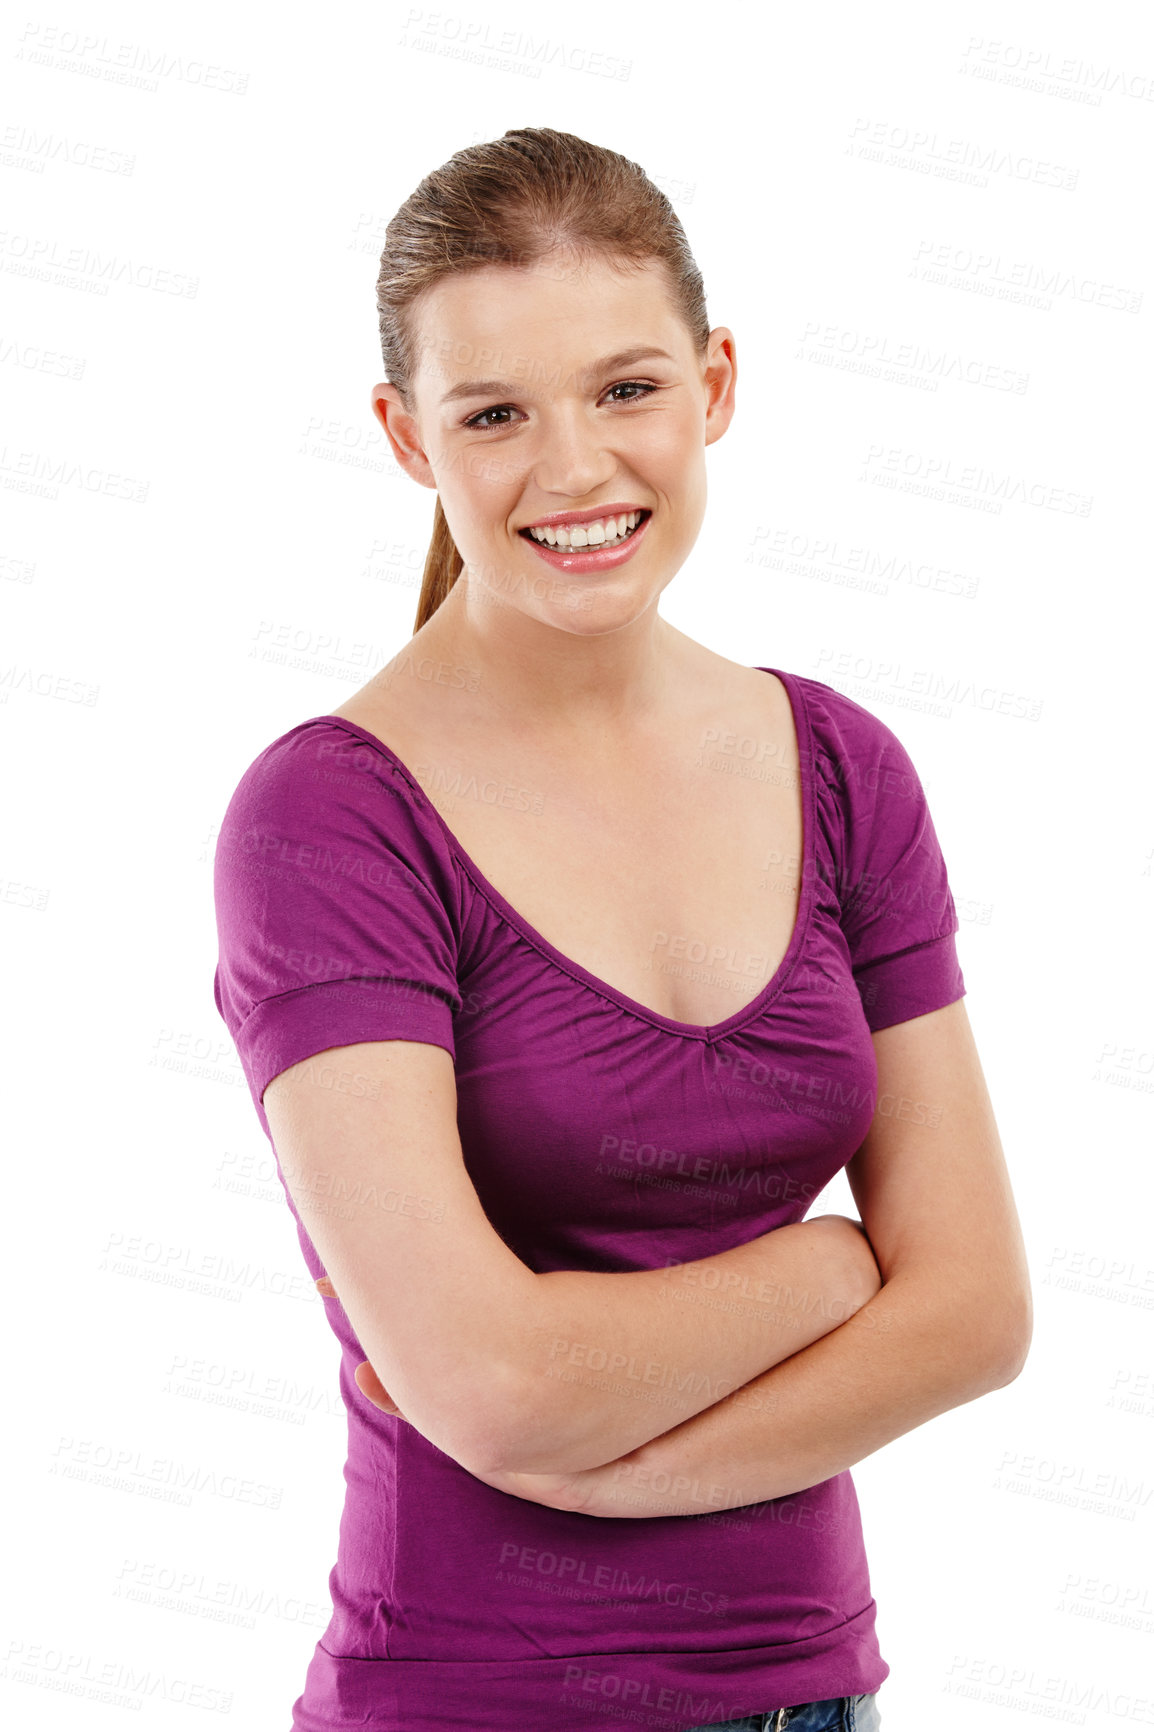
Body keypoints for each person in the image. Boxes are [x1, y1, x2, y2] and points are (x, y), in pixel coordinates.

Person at [212, 127, 1032, 1732]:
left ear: (715, 385)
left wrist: (599, 1479)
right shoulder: (328, 818)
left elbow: (979, 1310)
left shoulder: (840, 768)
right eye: (495, 415)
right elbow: (493, 1385)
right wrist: (828, 1267)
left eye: (626, 388)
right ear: (404, 436)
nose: (576, 468)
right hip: (471, 1704)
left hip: (818, 1704)